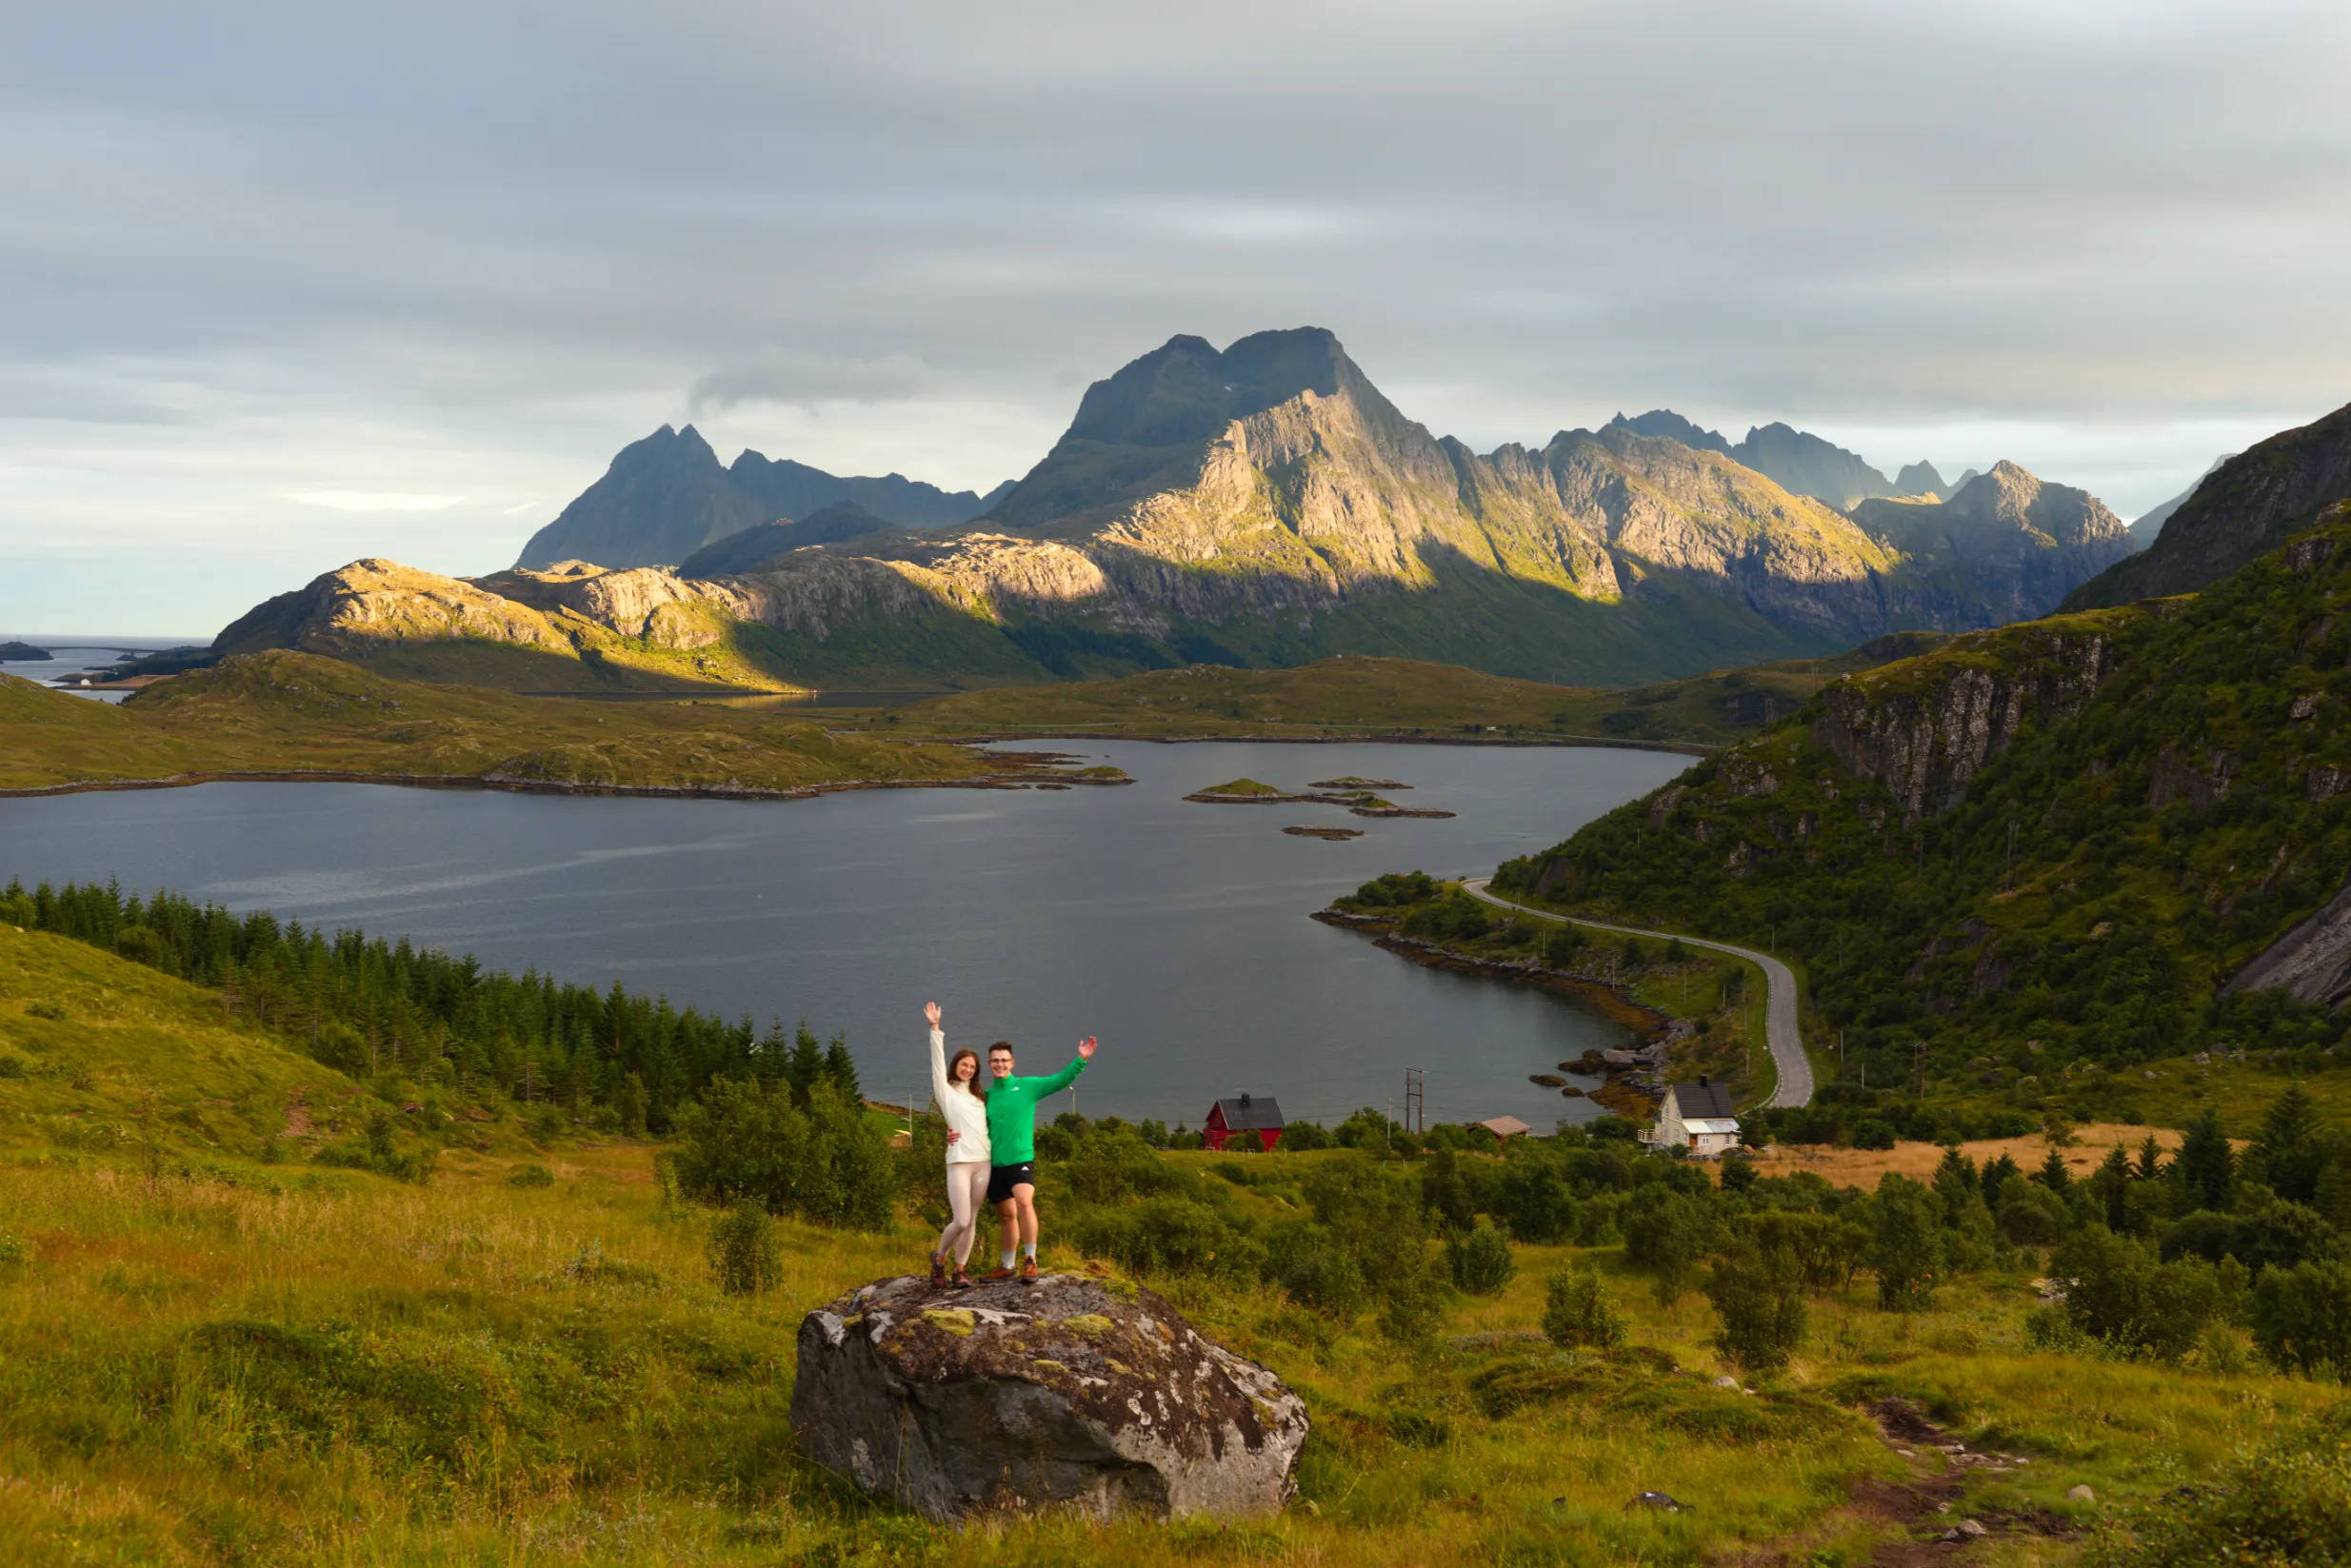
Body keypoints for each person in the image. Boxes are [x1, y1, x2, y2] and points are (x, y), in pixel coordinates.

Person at [981, 1032, 1096, 1284]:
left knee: (1024, 1203)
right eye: (995, 1061)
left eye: (1004, 1060)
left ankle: (1031, 1261)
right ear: (989, 1065)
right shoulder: (986, 1095)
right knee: (1006, 1217)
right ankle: (1007, 1265)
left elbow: (1059, 1081)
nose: (1000, 1064)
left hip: (1021, 1159)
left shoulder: (1027, 1086)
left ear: (1013, 1063)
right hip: (995, 1165)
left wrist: (1081, 1060)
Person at [924, 1001, 988, 1291]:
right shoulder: (946, 1092)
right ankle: (940, 1257)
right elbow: (937, 1066)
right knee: (961, 1219)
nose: (968, 1070)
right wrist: (935, 1028)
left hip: (983, 1162)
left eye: (973, 1067)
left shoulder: (980, 1098)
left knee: (972, 1219)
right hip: (959, 1162)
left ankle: (960, 1270)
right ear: (956, 1066)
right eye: (964, 1065)